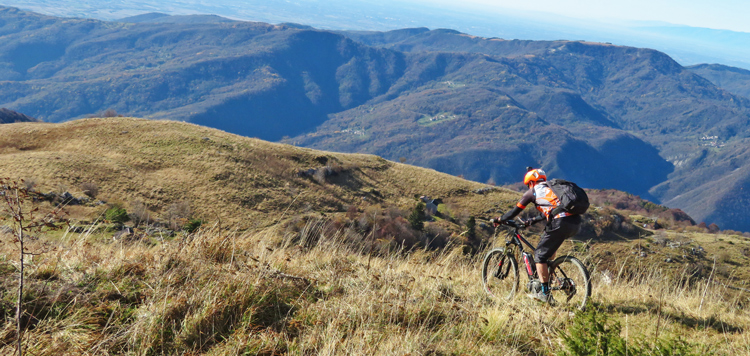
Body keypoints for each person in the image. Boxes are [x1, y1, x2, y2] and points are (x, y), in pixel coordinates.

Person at [492, 168, 582, 304]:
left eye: (528, 185)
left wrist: (500, 219)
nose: (529, 187)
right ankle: (548, 278)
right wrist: (532, 221)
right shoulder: (552, 189)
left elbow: (514, 211)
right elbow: (551, 210)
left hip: (559, 222)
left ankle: (544, 293)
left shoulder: (532, 192)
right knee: (548, 254)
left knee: (539, 256)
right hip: (574, 222)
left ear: (531, 183)